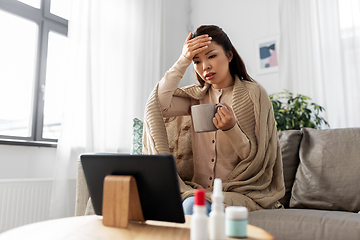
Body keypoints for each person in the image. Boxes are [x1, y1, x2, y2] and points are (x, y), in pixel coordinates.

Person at [143, 25, 285, 215]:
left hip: (240, 192)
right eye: (196, 61)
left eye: (211, 56)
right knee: (178, 203)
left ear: (229, 55)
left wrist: (231, 128)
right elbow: (156, 106)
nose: (205, 67)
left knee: (192, 207)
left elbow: (255, 158)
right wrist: (182, 60)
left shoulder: (253, 94)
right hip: (197, 191)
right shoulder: (195, 98)